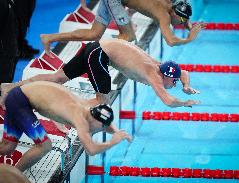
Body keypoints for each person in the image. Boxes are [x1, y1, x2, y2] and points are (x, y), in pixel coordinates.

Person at [1, 38, 200, 108]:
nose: (173, 84)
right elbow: (167, 101)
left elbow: (185, 72)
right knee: (102, 102)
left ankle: (9, 87)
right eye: (173, 82)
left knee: (57, 78)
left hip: (96, 48)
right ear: (165, 75)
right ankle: (67, 115)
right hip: (99, 54)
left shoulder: (161, 66)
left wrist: (186, 85)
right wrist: (185, 102)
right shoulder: (153, 75)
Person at [0, 81, 132, 171]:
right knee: (45, 146)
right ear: (95, 120)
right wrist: (112, 142)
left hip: (19, 97)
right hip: (20, 101)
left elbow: (103, 121)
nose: (103, 129)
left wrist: (116, 131)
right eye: (103, 127)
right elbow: (91, 150)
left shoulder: (90, 110)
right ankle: (13, 177)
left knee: (7, 147)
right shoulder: (79, 118)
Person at [41, 0, 206, 56]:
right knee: (128, 36)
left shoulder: (172, 5)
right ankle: (96, 59)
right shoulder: (163, 15)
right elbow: (170, 41)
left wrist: (188, 24)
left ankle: (49, 38)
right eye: (181, 19)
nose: (181, 23)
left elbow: (181, 12)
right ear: (174, 14)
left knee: (94, 33)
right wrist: (189, 38)